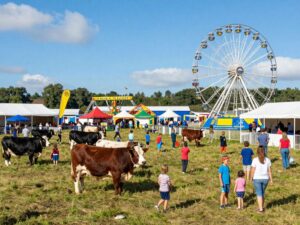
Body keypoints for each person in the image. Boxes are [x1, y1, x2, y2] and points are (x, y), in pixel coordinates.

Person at [250, 146, 273, 213]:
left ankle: (261, 209)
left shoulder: (255, 160)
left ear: (257, 152)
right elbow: (269, 171)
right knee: (262, 193)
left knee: (259, 194)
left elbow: (252, 170)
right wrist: (271, 179)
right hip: (266, 179)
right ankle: (261, 207)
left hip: (257, 179)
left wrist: (251, 177)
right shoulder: (268, 160)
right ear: (264, 151)